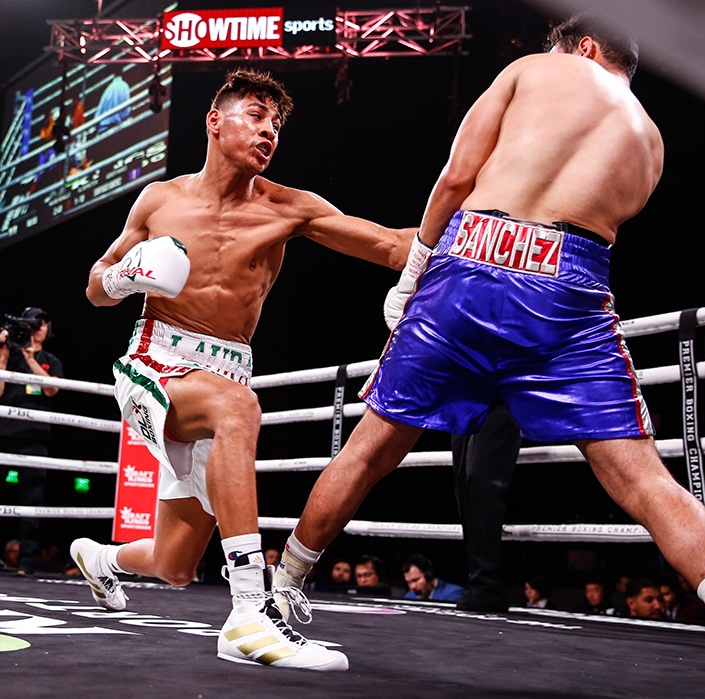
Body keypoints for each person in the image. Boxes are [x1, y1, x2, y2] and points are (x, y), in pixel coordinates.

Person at [272, 13, 705, 696]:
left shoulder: (533, 68)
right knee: (644, 479)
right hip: (573, 286)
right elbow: (597, 223)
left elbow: (458, 177)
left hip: (473, 264)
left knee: (372, 447)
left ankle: (281, 589)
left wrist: (412, 277)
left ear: (580, 45)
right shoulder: (652, 140)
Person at [68, 67, 415, 673]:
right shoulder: (160, 199)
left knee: (176, 565)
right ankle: (251, 613)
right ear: (215, 121)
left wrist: (488, 232)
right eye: (255, 115)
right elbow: (95, 287)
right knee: (238, 409)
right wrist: (123, 277)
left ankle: (102, 559)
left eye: (276, 123)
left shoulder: (290, 208)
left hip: (223, 371)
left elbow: (391, 246)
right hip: (154, 361)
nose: (269, 131)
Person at [0, 307, 63, 576]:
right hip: (5, 432)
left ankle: (26, 562)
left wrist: (31, 359)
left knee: (32, 500)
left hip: (35, 436)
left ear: (48, 329)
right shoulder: (9, 354)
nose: (38, 327)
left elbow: (51, 389)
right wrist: (2, 358)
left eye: (42, 323)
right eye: (33, 323)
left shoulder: (51, 360)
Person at [451, 402, 521, 612]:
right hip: (465, 390)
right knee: (463, 484)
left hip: (505, 384)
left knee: (480, 478)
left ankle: (487, 582)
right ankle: (479, 581)